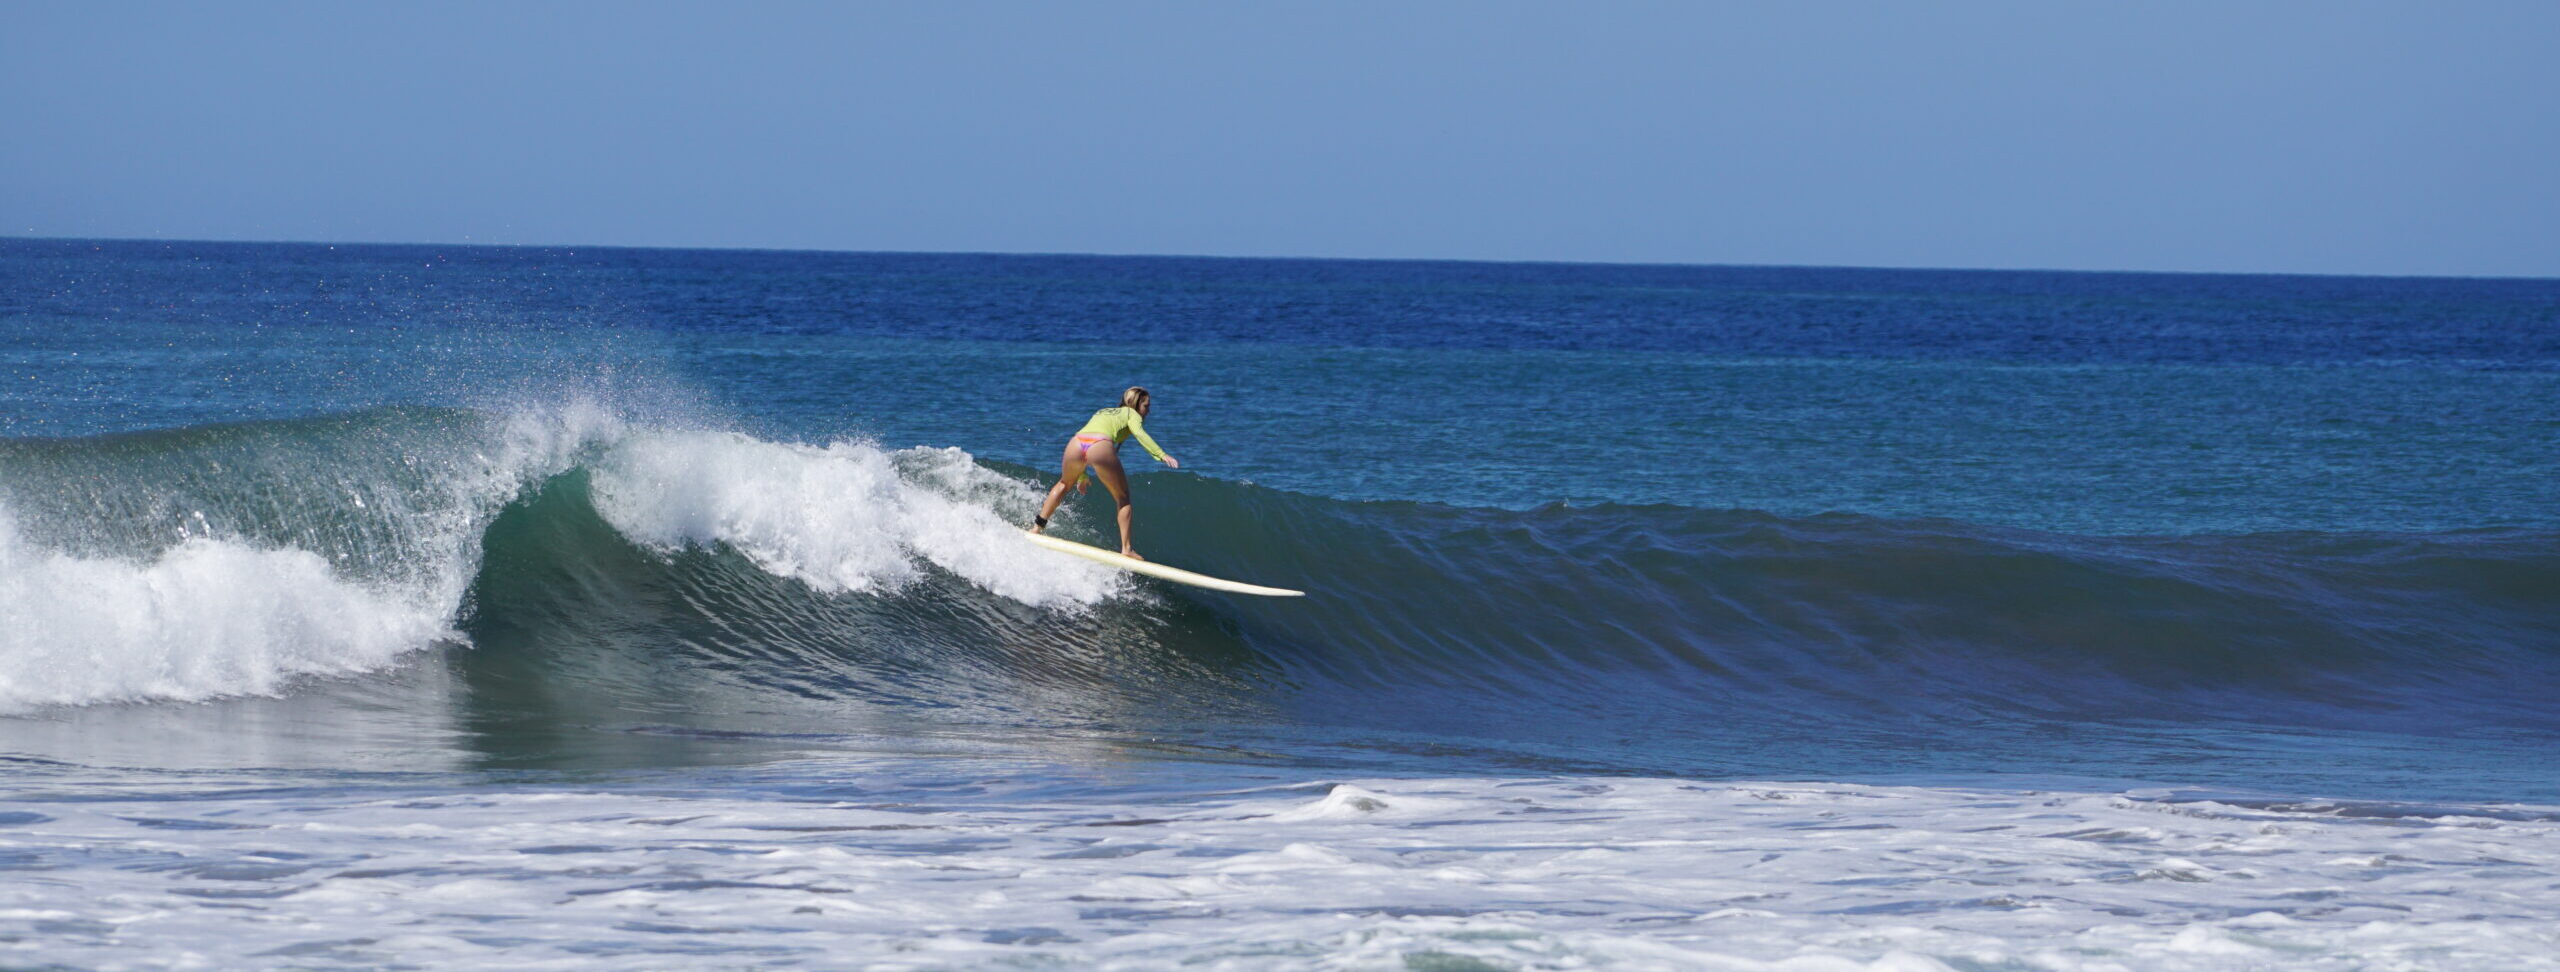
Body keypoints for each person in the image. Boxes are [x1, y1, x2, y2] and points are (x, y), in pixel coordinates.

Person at [1028, 386, 1180, 559]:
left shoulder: (1104, 411)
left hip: (1076, 442)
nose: (1148, 411)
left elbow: (1088, 440)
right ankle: (1126, 549)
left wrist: (1082, 474)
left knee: (1063, 484)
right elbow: (1139, 433)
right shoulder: (1132, 414)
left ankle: (1036, 528)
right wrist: (1161, 454)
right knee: (1123, 498)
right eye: (1146, 406)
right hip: (1099, 445)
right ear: (1135, 404)